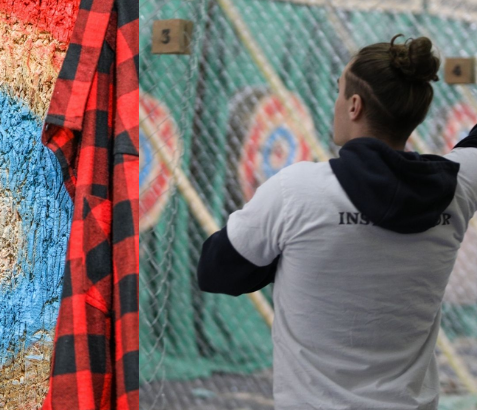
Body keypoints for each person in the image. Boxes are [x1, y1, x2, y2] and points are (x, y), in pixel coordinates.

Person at [197, 34, 477, 410]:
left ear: (355, 106)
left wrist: (286, 257)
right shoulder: (457, 190)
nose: (336, 101)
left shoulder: (297, 191)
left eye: (340, 91)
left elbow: (216, 272)